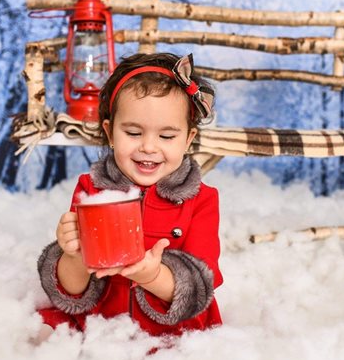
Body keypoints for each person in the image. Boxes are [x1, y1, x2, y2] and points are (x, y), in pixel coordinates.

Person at [37, 52, 223, 337]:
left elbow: (199, 286)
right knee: (47, 337)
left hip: (171, 330)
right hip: (103, 324)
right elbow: (72, 291)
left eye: (167, 136)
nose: (148, 147)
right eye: (133, 133)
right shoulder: (92, 190)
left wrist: (152, 276)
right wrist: (74, 255)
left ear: (188, 139)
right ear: (111, 133)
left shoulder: (202, 200)